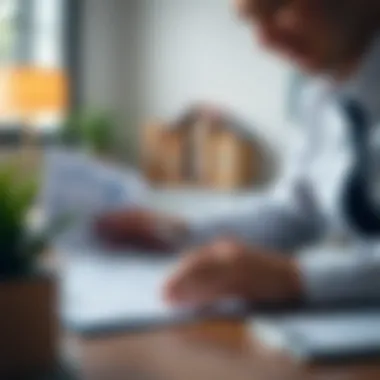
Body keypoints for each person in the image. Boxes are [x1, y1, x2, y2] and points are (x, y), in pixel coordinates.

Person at [96, 0, 380, 307]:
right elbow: (295, 212)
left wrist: (293, 277)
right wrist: (182, 233)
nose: (264, 41)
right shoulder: (317, 95)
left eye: (277, 9)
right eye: (251, 22)